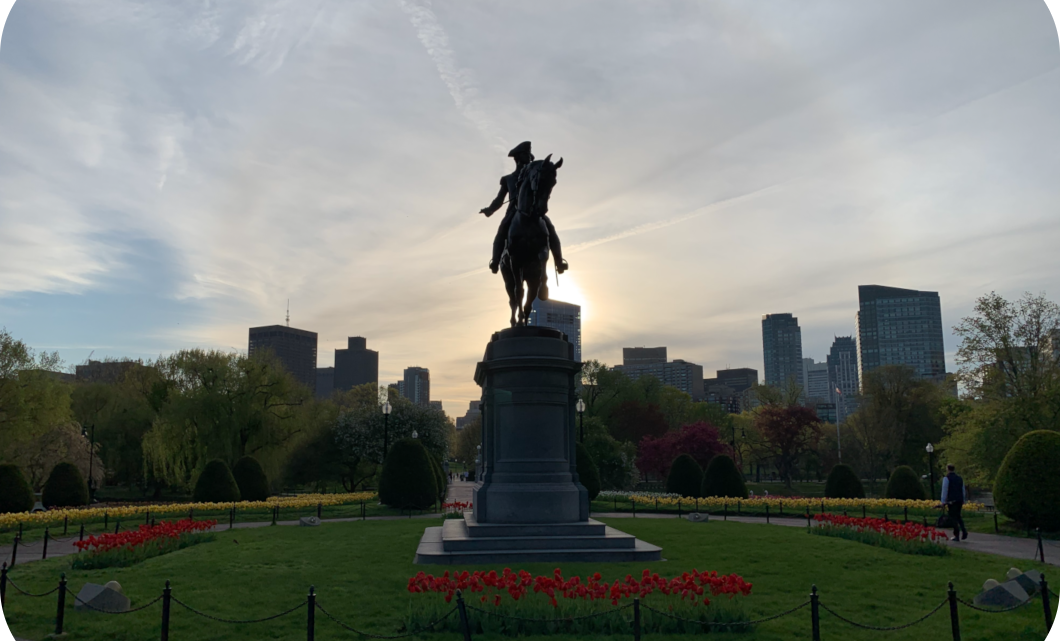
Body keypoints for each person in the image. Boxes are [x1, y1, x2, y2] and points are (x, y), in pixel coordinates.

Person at [478, 141, 567, 276]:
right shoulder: (508, 179)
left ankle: (559, 261)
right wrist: (490, 209)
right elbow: (499, 199)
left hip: (534, 210)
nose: (529, 156)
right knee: (502, 229)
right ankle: (495, 260)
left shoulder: (533, 173)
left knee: (550, 228)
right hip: (514, 211)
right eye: (525, 154)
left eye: (529, 154)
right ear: (518, 157)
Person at [940, 464, 969, 541]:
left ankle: (957, 535)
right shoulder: (960, 478)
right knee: (958, 516)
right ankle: (964, 530)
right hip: (959, 500)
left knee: (953, 518)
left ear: (947, 469)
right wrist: (963, 499)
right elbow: (963, 490)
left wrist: (943, 501)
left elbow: (945, 490)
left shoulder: (947, 478)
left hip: (951, 501)